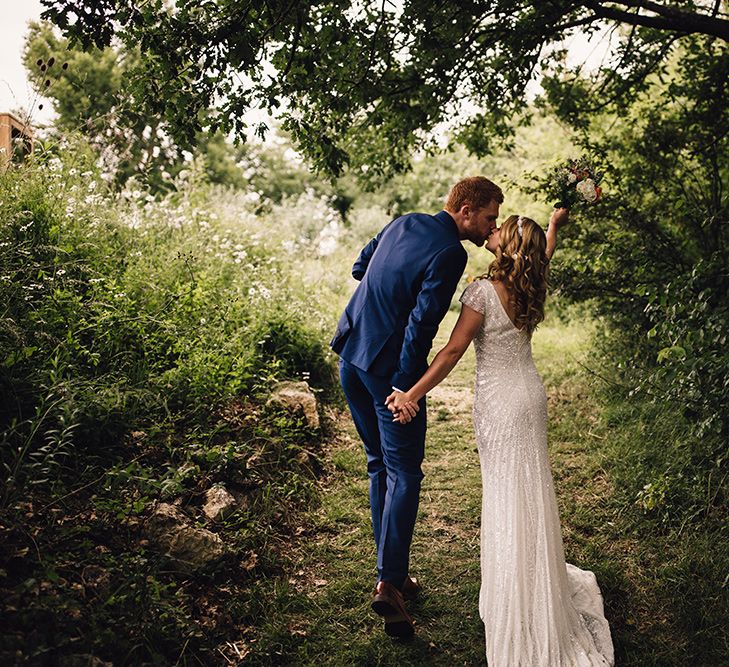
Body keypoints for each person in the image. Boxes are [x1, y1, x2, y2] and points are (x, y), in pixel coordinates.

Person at [387, 214, 615, 665]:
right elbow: (543, 251)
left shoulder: (482, 292)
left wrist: (411, 392)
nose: (490, 232)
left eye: (498, 229)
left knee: (507, 494)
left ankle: (518, 598)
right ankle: (534, 580)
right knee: (529, 490)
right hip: (529, 397)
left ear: (507, 245)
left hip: (501, 407)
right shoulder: (533, 279)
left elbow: (452, 351)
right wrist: (555, 224)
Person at [330, 177, 503, 638]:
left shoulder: (404, 221)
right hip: (388, 372)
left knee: (378, 465)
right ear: (465, 210)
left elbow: (359, 266)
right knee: (404, 471)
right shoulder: (452, 253)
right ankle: (389, 583)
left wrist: (384, 294)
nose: (492, 229)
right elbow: (422, 326)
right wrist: (408, 391)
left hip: (351, 353)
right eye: (489, 218)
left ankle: (395, 572)